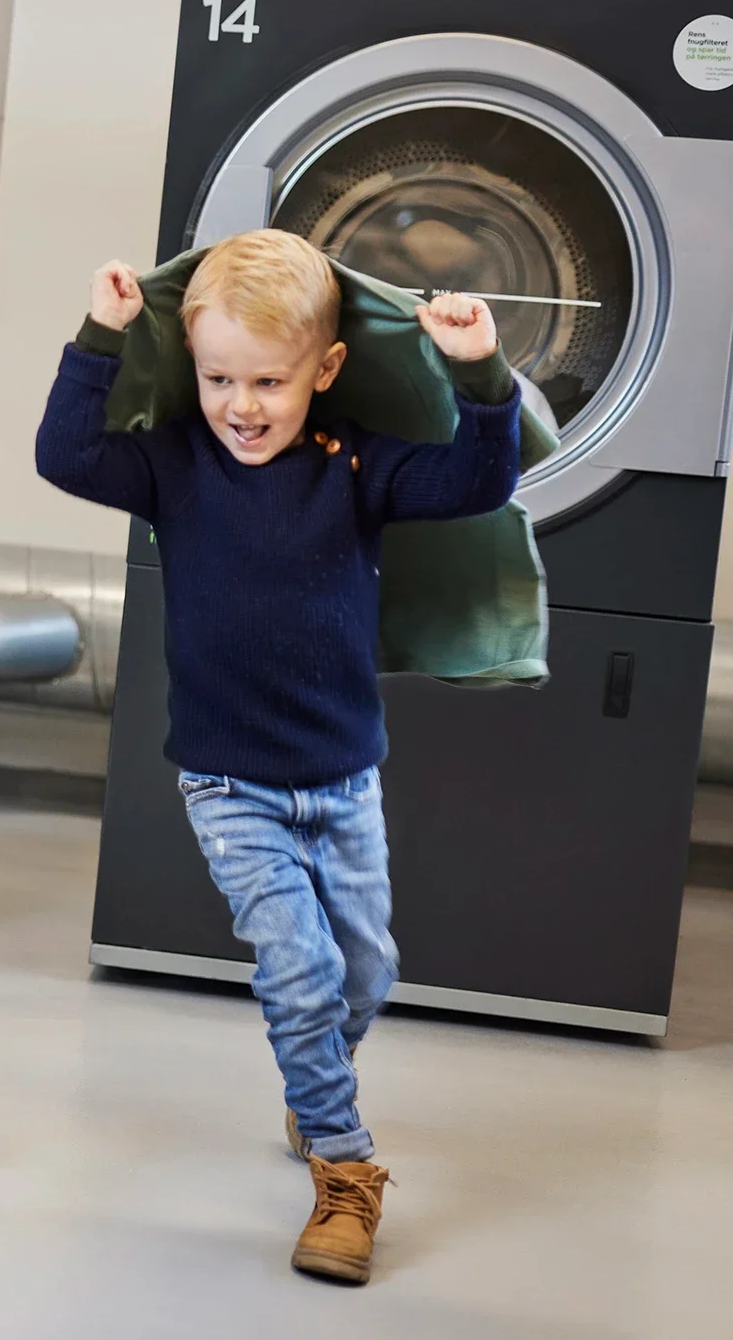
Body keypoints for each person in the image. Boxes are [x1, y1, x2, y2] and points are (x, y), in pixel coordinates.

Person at [35, 229, 522, 1285]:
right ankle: (344, 1171)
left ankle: (313, 1089)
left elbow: (477, 483)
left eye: (267, 380)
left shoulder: (355, 464)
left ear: (325, 369)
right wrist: (99, 337)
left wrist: (479, 369)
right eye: (216, 377)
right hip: (227, 782)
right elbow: (63, 455)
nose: (240, 405)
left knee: (366, 971)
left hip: (344, 779)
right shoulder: (172, 462)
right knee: (299, 976)